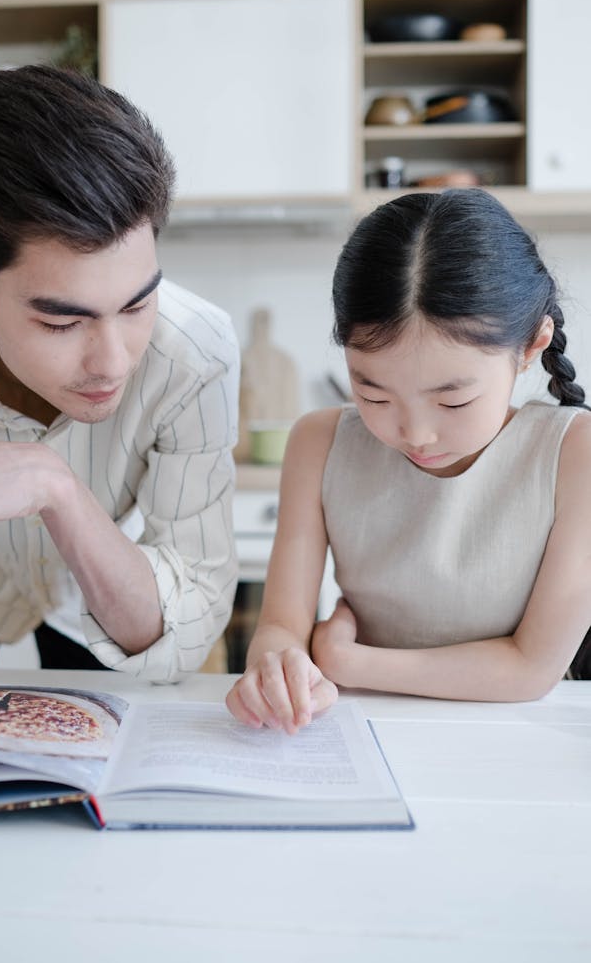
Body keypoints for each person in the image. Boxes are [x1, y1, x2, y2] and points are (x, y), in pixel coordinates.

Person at [0, 64, 239, 684]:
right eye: (61, 322)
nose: (112, 363)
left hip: (107, 575)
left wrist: (55, 485)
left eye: (136, 306)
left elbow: (186, 631)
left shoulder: (197, 353)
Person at [226, 189, 591, 733]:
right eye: (373, 395)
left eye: (453, 400)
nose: (415, 433)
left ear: (530, 348)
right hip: (362, 727)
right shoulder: (319, 444)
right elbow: (281, 627)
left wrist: (352, 662)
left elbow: (529, 669)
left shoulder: (573, 453)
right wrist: (275, 666)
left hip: (518, 738)